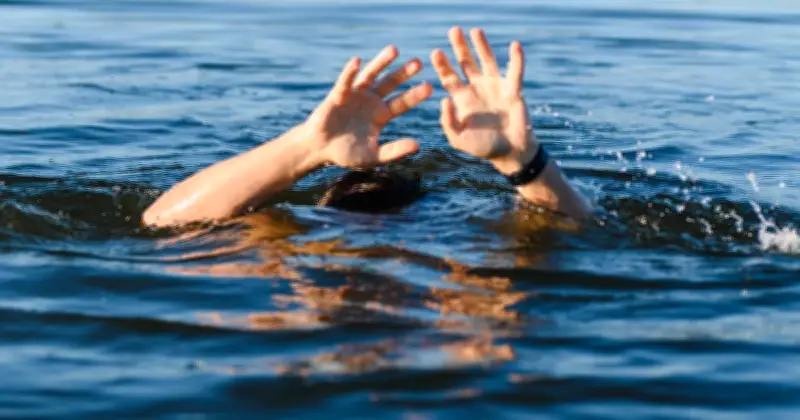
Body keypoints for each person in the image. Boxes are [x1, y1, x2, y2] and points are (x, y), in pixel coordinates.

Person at [142, 28, 590, 228]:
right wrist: (306, 145)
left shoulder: (293, 246)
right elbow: (161, 222)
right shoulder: (452, 283)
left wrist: (520, 159)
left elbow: (164, 227)